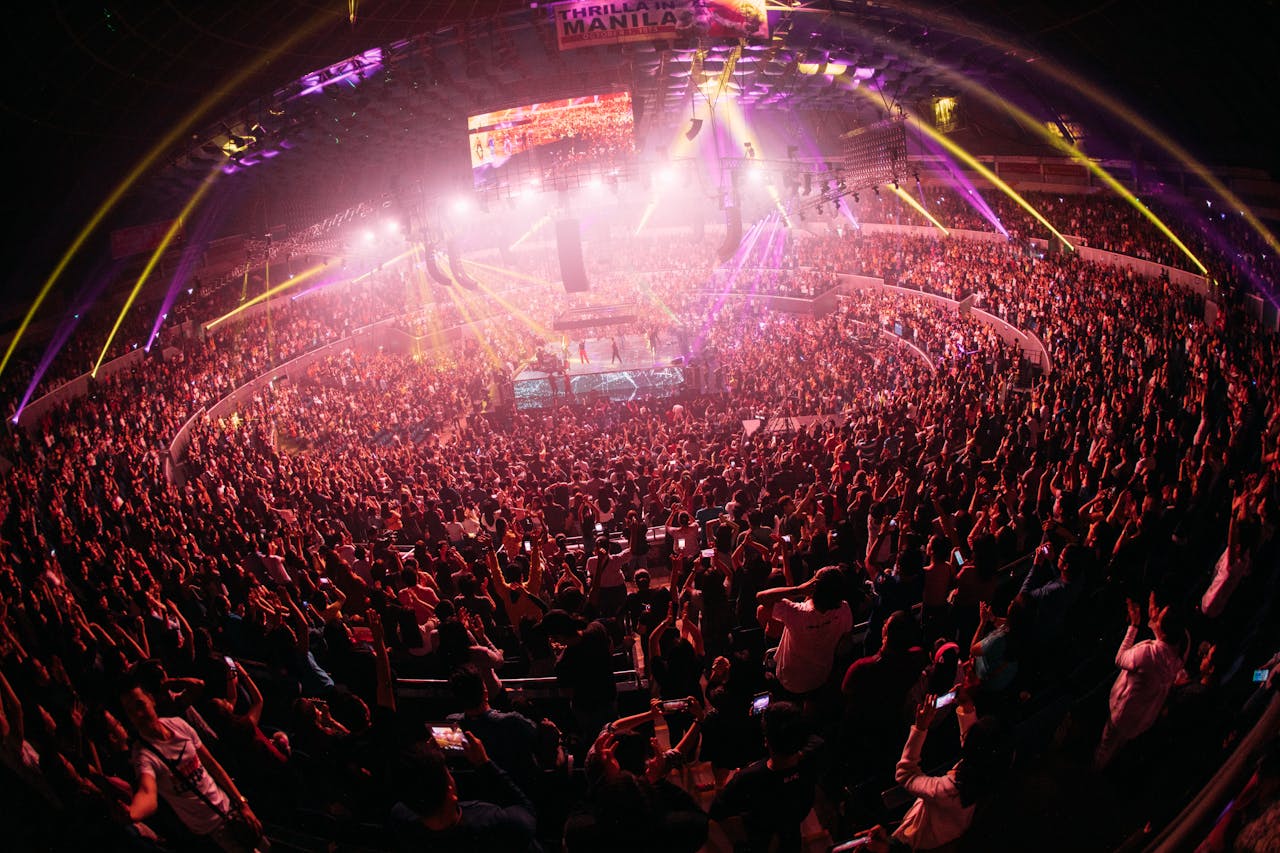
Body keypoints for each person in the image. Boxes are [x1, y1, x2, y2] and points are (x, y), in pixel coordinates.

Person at [118, 674, 265, 852]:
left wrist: (243, 804)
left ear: (152, 700)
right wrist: (133, 812)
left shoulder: (178, 725)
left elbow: (213, 766)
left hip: (232, 810)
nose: (138, 714)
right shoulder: (143, 755)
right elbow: (147, 792)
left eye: (139, 705)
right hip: (211, 833)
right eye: (130, 711)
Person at [892, 695, 1012, 851]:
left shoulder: (947, 791)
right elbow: (976, 750)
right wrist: (967, 708)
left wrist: (920, 728)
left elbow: (905, 774)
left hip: (910, 844)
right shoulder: (991, 773)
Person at [388, 734, 540, 852]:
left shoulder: (400, 819)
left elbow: (410, 785)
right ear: (450, 792)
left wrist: (425, 759)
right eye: (448, 773)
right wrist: (485, 763)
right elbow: (526, 811)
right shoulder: (499, 824)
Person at [709, 701, 822, 853]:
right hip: (791, 833)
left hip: (759, 840)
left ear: (766, 741)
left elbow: (716, 812)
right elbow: (816, 741)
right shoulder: (812, 760)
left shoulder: (747, 778)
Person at [1094, 597, 1187, 769]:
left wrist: (1134, 626)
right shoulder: (1177, 657)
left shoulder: (1147, 654)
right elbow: (1164, 644)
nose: (1157, 613)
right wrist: (1154, 621)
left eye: (1159, 616)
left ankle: (1093, 773)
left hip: (1122, 713)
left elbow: (1120, 658)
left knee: (1105, 746)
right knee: (1119, 745)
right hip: (1141, 719)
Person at [756, 566, 853, 697]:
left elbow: (761, 598)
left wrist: (799, 589)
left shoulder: (797, 613)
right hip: (821, 676)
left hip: (790, 681)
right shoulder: (844, 609)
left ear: (814, 586)